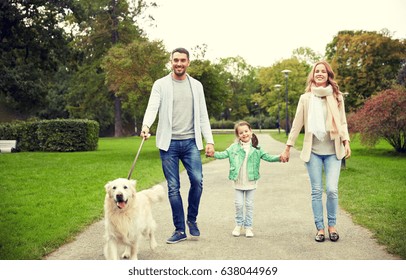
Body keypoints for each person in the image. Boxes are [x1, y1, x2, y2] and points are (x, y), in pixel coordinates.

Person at [140, 48, 215, 244]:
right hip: (169, 144)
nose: (179, 64)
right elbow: (152, 106)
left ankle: (192, 219)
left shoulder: (197, 86)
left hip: (191, 142)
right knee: (173, 188)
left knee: (197, 181)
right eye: (176, 60)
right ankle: (180, 229)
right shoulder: (161, 84)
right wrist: (146, 125)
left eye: (183, 60)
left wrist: (210, 141)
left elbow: (203, 115)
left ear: (188, 62)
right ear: (170, 61)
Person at [281, 61, 351, 242]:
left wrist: (346, 141)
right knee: (316, 191)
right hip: (312, 151)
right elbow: (297, 124)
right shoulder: (305, 98)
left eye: (323, 71)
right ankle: (320, 228)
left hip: (333, 150)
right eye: (317, 71)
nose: (320, 74)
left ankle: (332, 226)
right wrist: (288, 147)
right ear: (312, 75)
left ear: (328, 75)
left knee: (332, 190)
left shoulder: (337, 96)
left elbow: (342, 121)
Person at [209, 121, 282, 238]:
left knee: (249, 205)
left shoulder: (257, 149)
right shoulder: (234, 148)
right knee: (238, 204)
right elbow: (223, 154)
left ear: (251, 132)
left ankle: (248, 227)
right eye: (241, 132)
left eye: (246, 131)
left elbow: (268, 157)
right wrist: (213, 154)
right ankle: (238, 225)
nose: (244, 134)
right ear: (238, 135)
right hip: (238, 181)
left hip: (251, 181)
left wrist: (279, 157)